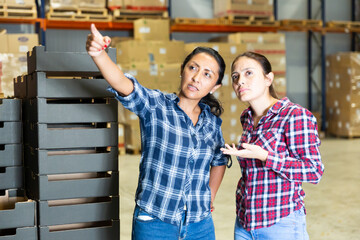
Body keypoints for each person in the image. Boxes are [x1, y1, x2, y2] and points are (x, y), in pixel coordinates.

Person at [86, 24, 230, 240]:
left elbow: (219, 160)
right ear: (182, 69)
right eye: (193, 68)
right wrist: (99, 54)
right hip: (155, 222)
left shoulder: (211, 123)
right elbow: (123, 84)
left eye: (207, 74)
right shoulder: (156, 106)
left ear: (215, 86)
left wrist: (210, 195)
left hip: (200, 226)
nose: (196, 77)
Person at [220, 51, 324, 240]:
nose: (240, 81)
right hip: (245, 222)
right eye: (235, 77)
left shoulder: (294, 115)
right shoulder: (247, 117)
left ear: (269, 79)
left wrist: (266, 157)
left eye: (248, 73)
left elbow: (314, 171)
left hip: (280, 223)